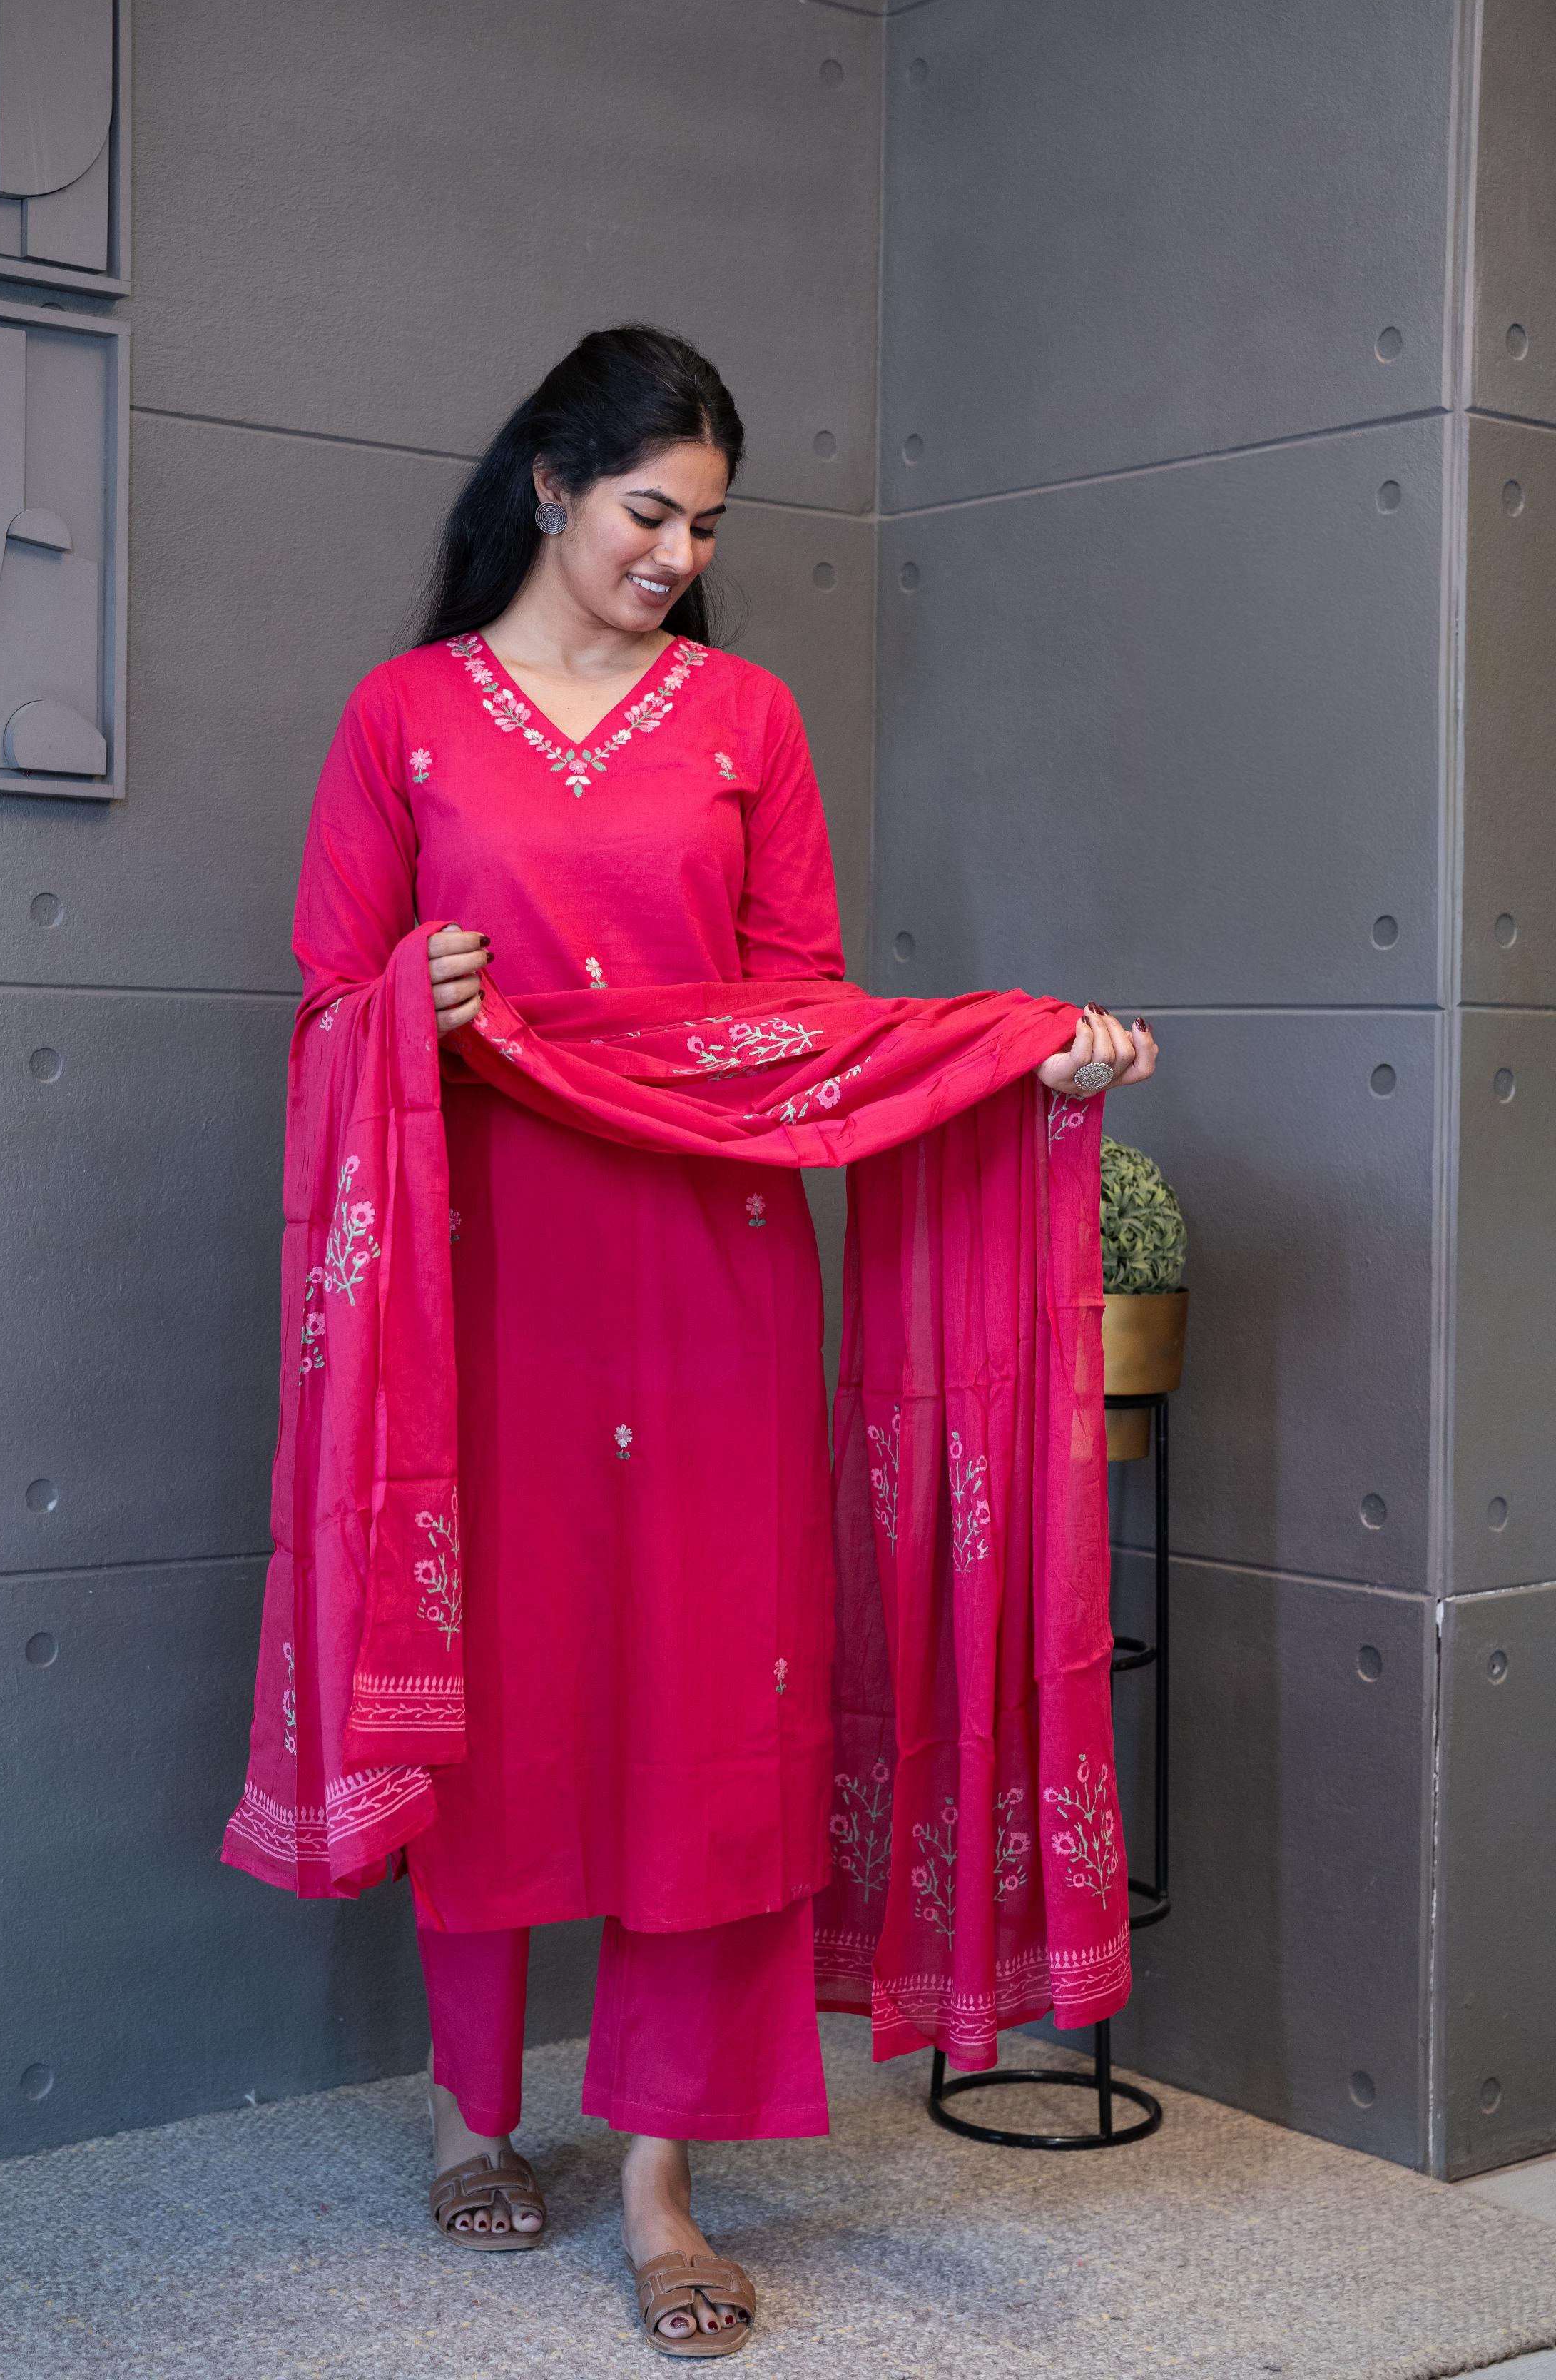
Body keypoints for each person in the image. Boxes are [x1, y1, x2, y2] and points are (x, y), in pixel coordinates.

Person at [252, 325, 1155, 2358]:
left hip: (719, 1276)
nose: (676, 554)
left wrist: (1024, 1054)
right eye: (648, 511)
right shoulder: (403, 718)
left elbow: (805, 1015)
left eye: (704, 526)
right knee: (499, 1682)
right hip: (488, 1280)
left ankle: (658, 2176)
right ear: (551, 484)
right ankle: (472, 2108)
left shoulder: (745, 717)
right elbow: (321, 1014)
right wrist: (417, 997)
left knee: (714, 1711)